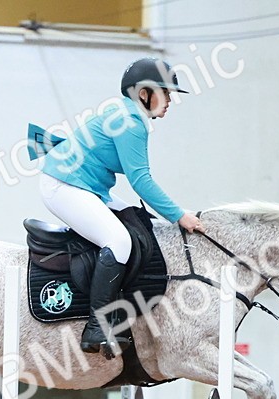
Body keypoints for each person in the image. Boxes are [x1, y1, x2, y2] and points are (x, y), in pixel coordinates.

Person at [40, 57, 204, 358]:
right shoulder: (131, 122)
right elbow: (141, 180)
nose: (169, 101)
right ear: (143, 93)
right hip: (64, 185)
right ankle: (97, 327)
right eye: (165, 93)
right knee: (119, 241)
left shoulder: (127, 112)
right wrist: (180, 216)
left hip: (85, 185)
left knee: (137, 219)